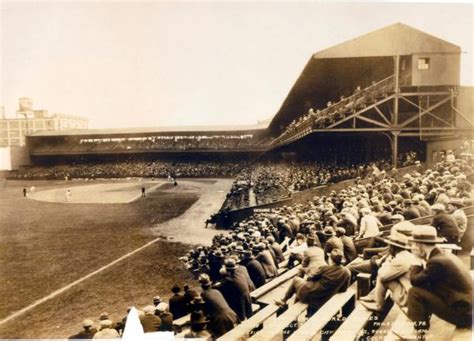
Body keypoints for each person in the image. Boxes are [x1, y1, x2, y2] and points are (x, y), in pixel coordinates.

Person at [397, 225, 472, 339]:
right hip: (466, 309)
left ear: (419, 245)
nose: (412, 247)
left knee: (414, 292)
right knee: (421, 291)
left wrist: (416, 260)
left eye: (413, 244)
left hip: (464, 316)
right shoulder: (443, 255)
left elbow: (414, 281)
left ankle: (418, 332)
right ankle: (419, 326)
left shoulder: (436, 262)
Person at [275, 249, 351, 316]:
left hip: (314, 297)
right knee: (304, 285)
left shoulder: (325, 268)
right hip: (326, 297)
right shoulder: (347, 272)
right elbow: (344, 289)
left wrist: (307, 271)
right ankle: (302, 311)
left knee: (296, 280)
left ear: (331, 260)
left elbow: (312, 278)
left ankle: (284, 300)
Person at [359, 225, 417, 312]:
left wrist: (388, 262)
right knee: (386, 275)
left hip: (409, 298)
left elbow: (382, 275)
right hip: (414, 294)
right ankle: (375, 298)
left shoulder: (399, 260)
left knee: (383, 278)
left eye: (389, 246)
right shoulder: (406, 255)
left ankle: (379, 305)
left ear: (393, 247)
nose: (388, 248)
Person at [198, 274, 239, 338]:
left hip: (221, 321)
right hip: (232, 315)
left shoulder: (203, 294)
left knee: (208, 332)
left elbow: (206, 311)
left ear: (201, 286)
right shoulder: (217, 291)